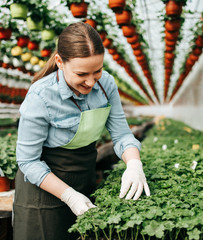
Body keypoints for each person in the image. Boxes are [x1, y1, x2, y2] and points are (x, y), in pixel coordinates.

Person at [13, 22, 150, 240]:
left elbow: (122, 134)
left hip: (83, 176)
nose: (90, 81)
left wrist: (134, 164)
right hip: (44, 188)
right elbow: (28, 161)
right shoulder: (40, 96)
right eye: (81, 74)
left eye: (97, 71)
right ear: (59, 62)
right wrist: (69, 196)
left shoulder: (106, 85)